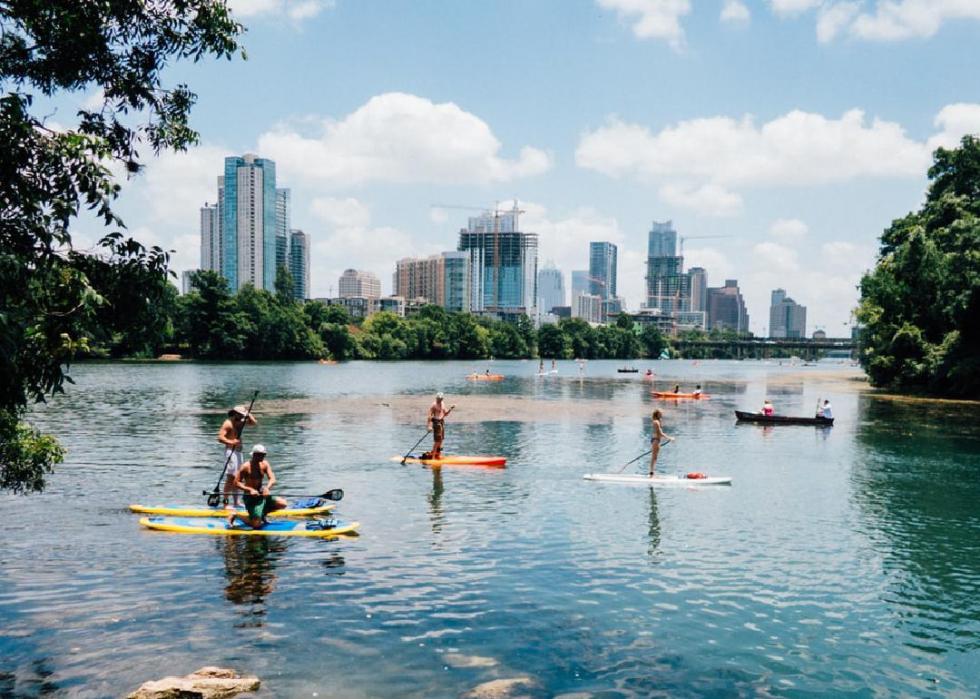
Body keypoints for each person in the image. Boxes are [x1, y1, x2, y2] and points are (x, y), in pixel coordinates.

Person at [227, 445, 286, 529]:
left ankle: (262, 514)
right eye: (260, 455)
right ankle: (236, 515)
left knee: (283, 504)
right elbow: (236, 483)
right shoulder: (245, 466)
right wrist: (250, 490)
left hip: (262, 495)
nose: (262, 457)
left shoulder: (265, 464)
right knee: (256, 525)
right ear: (254, 455)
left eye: (264, 455)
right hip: (251, 498)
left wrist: (267, 488)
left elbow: (272, 479)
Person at [217, 404, 257, 507]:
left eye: (243, 415)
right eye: (241, 415)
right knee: (231, 478)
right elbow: (220, 438)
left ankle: (236, 502)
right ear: (235, 414)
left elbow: (254, 423)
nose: (243, 417)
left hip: (239, 452)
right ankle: (225, 504)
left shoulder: (241, 422)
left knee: (238, 478)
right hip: (231, 452)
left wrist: (248, 413)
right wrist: (231, 441)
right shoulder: (228, 423)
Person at [424, 393, 455, 459]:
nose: (439, 400)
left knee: (441, 439)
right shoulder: (434, 405)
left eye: (441, 399)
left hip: (442, 422)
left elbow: (445, 414)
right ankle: (433, 457)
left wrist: (450, 408)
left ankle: (437, 455)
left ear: (442, 399)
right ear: (436, 398)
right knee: (437, 441)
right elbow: (429, 416)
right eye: (438, 399)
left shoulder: (443, 403)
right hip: (436, 423)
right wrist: (429, 426)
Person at [649, 409, 674, 476]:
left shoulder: (658, 422)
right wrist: (670, 438)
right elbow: (660, 433)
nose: (661, 415)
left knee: (655, 457)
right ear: (657, 414)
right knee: (654, 457)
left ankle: (652, 472)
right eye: (660, 414)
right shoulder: (656, 422)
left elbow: (660, 433)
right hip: (655, 440)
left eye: (661, 413)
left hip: (657, 440)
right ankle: (651, 472)